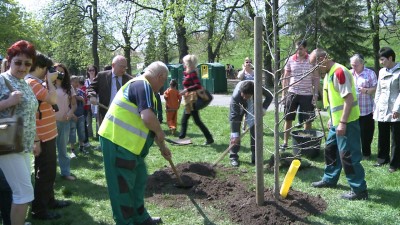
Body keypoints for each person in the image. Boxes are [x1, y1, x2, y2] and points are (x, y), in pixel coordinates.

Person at [98, 61, 172, 225]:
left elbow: (150, 125)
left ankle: (140, 217)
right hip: (117, 142)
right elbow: (147, 117)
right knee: (122, 187)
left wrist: (162, 147)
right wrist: (160, 132)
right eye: (163, 81)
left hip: (132, 147)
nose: (162, 86)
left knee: (139, 181)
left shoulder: (147, 91)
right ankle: (125, 221)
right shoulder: (141, 85)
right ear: (160, 76)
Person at [309, 48, 368, 200]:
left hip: (347, 122)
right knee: (331, 149)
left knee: (348, 155)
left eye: (315, 65)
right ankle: (330, 178)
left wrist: (342, 123)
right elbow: (335, 101)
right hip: (336, 122)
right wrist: (332, 119)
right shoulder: (329, 73)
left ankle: (359, 189)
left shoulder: (339, 72)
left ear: (323, 58)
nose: (314, 69)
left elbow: (348, 99)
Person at [25, 52, 71, 220]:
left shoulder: (36, 82)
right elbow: (52, 99)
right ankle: (40, 210)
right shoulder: (31, 83)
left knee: (49, 172)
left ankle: (49, 201)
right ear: (41, 68)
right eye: (48, 69)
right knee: (45, 173)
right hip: (43, 136)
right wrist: (50, 82)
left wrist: (47, 81)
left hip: (48, 133)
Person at [0, 40, 38, 225]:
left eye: (27, 63)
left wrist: (35, 140)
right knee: (23, 193)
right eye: (18, 62)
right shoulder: (2, 80)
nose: (23, 67)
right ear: (9, 61)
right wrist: (7, 103)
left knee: (23, 191)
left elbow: (30, 114)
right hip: (7, 143)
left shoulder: (25, 82)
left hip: (24, 144)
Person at [281, 40, 320, 149]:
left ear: (306, 49)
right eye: (297, 48)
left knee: (307, 120)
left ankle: (305, 144)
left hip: (307, 94)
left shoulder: (312, 60)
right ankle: (285, 142)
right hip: (292, 93)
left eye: (301, 48)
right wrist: (284, 94)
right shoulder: (290, 60)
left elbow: (316, 78)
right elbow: (285, 77)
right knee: (288, 118)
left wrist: (315, 94)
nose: (298, 51)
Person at [229, 80, 273, 167]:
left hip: (253, 105)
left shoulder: (258, 88)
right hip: (239, 107)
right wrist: (235, 134)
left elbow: (269, 96)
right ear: (241, 92)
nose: (245, 97)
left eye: (247, 96)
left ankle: (255, 157)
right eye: (243, 95)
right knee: (235, 134)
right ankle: (233, 157)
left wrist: (263, 109)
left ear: (252, 93)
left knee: (255, 132)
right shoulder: (236, 97)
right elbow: (234, 118)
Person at [373, 47, 400, 172]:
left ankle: (394, 164)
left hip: (396, 108)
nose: (381, 62)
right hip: (382, 107)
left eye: (382, 59)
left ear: (390, 58)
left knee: (396, 137)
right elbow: (378, 90)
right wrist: (376, 105)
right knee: (382, 135)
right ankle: (382, 159)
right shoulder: (382, 72)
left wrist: (397, 109)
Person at [178, 54, 214, 145]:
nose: (183, 64)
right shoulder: (189, 73)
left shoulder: (192, 73)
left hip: (192, 100)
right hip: (190, 100)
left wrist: (186, 89)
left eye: (184, 62)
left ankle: (181, 138)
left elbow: (198, 85)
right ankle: (209, 138)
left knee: (185, 120)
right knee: (196, 121)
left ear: (188, 63)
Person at [88, 55, 132, 126]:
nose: (123, 70)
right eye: (121, 67)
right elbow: (91, 88)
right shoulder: (101, 76)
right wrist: (92, 96)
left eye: (125, 67)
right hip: (106, 114)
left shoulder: (129, 80)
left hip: (124, 116)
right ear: (113, 65)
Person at [349, 54, 377, 160]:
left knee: (366, 134)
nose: (354, 67)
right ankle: (355, 153)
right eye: (352, 65)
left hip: (366, 109)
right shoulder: (349, 73)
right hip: (352, 109)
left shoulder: (370, 73)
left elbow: (376, 88)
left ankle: (366, 153)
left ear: (362, 63)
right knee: (353, 133)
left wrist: (366, 91)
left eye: (356, 65)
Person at [54, 63, 77, 181]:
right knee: (50, 151)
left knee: (63, 149)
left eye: (62, 71)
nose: (59, 74)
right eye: (57, 71)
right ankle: (50, 175)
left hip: (65, 122)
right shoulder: (47, 86)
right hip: (51, 124)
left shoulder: (69, 87)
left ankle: (65, 172)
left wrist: (69, 113)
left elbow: (74, 105)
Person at [69, 75, 88, 156]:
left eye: (78, 82)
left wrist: (82, 99)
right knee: (72, 132)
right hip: (72, 116)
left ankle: (82, 147)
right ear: (71, 82)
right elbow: (67, 104)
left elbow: (84, 103)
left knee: (81, 131)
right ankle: (72, 150)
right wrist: (72, 114)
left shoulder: (81, 92)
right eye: (75, 82)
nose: (77, 83)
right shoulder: (68, 92)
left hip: (81, 115)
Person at [84, 65, 98, 141]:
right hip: (88, 103)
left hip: (97, 102)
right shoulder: (86, 81)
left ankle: (98, 134)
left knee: (97, 119)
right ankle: (90, 135)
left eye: (93, 70)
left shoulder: (98, 79)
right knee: (88, 119)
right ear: (88, 71)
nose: (92, 72)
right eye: (90, 70)